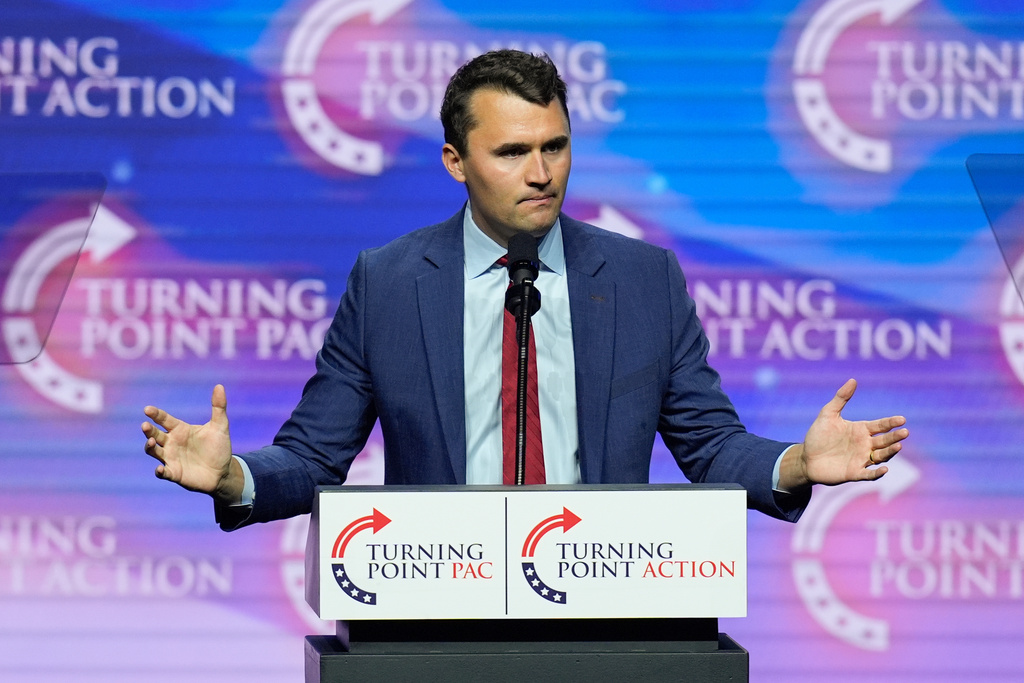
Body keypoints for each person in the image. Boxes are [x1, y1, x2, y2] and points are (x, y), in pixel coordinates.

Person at [141, 50, 907, 529]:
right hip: (436, 616)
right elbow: (314, 454)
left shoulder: (644, 280)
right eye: (512, 152)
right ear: (455, 161)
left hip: (607, 612)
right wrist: (233, 475)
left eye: (555, 147)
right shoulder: (389, 284)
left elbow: (710, 445)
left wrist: (796, 462)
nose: (541, 173)